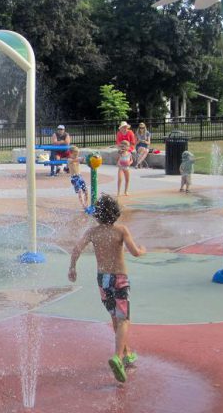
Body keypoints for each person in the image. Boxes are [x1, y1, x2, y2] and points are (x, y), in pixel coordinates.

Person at [68, 194, 146, 383]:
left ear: (98, 214)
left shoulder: (93, 232)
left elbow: (77, 249)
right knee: (124, 320)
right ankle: (118, 358)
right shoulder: (121, 230)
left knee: (115, 317)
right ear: (116, 213)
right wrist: (142, 250)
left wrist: (72, 267)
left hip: (102, 279)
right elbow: (135, 252)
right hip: (119, 278)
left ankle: (126, 354)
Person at [67, 146, 89, 210]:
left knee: (86, 190)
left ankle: (86, 203)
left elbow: (83, 161)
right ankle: (83, 205)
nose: (76, 156)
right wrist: (79, 159)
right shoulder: (69, 160)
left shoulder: (76, 158)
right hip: (74, 178)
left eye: (77, 155)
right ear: (70, 154)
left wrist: (87, 160)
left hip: (80, 177)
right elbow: (75, 160)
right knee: (79, 191)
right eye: (75, 154)